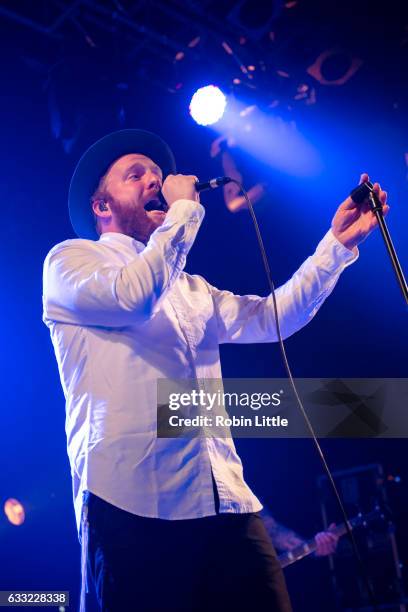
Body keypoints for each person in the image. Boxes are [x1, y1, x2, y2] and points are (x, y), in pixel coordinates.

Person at [42, 129, 388, 612]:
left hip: (226, 502)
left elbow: (274, 317)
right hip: (132, 503)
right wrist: (185, 211)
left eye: (158, 177)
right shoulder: (70, 261)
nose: (154, 183)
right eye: (135, 175)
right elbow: (131, 296)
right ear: (102, 206)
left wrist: (336, 245)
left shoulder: (191, 287)